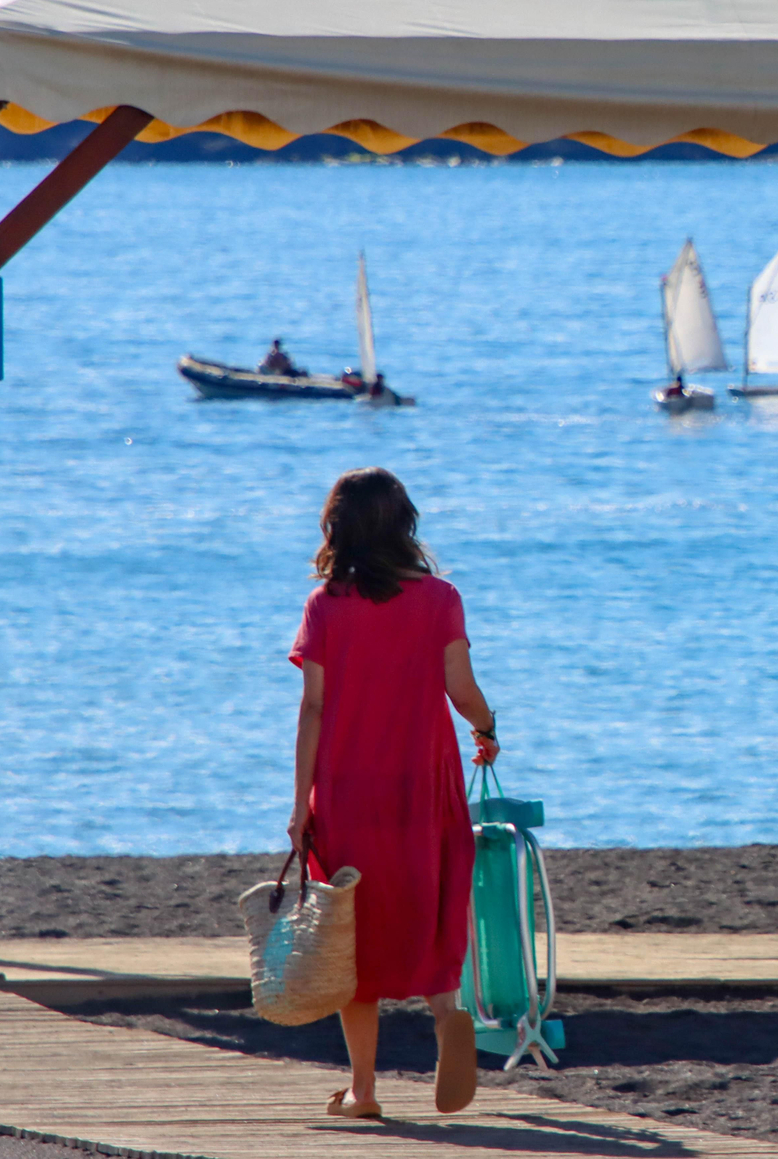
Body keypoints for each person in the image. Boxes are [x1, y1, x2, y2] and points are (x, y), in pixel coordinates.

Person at [287, 468, 499, 1120]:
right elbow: (460, 689)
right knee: (428, 904)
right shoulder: (440, 599)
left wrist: (301, 806)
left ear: (338, 528)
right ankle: (446, 1016)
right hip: (423, 784)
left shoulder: (326, 605)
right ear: (405, 525)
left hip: (348, 787)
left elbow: (314, 708)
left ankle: (364, 1091)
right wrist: (486, 730)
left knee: (354, 934)